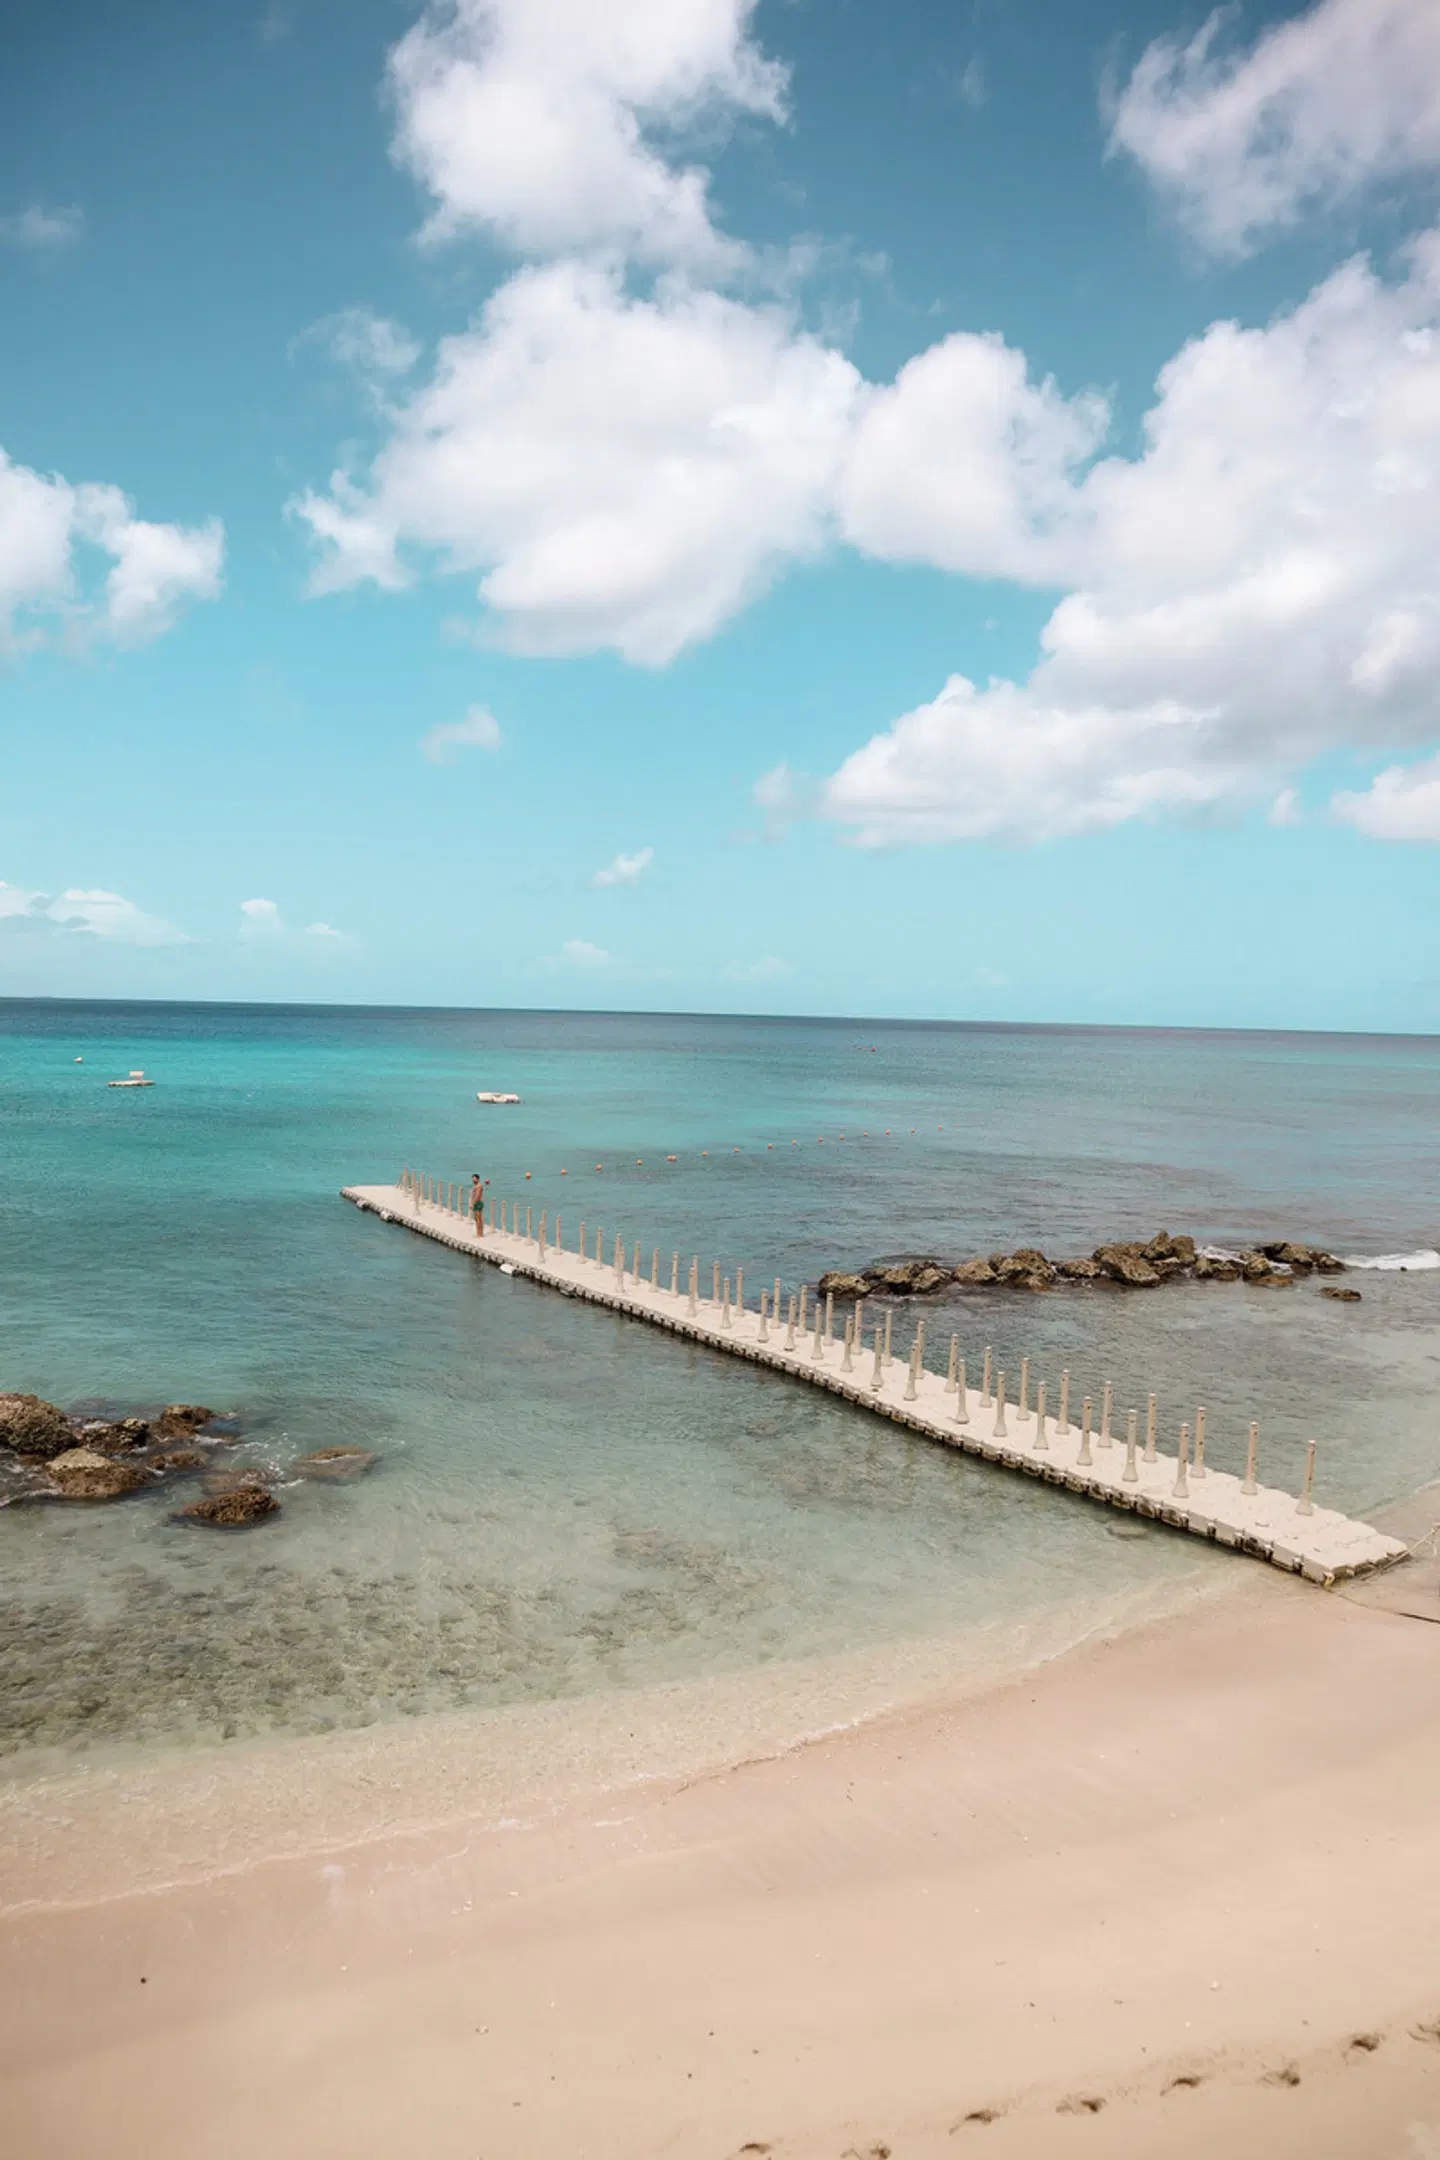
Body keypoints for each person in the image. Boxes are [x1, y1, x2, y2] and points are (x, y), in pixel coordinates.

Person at [470, 1172, 489, 1238]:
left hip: (478, 1203)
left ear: (478, 1179)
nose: (473, 1180)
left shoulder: (479, 1186)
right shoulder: (477, 1186)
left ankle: (480, 1234)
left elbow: (477, 1196)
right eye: (472, 1179)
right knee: (476, 1218)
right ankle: (479, 1233)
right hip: (476, 1203)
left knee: (478, 1219)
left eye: (474, 1179)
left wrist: (473, 1204)